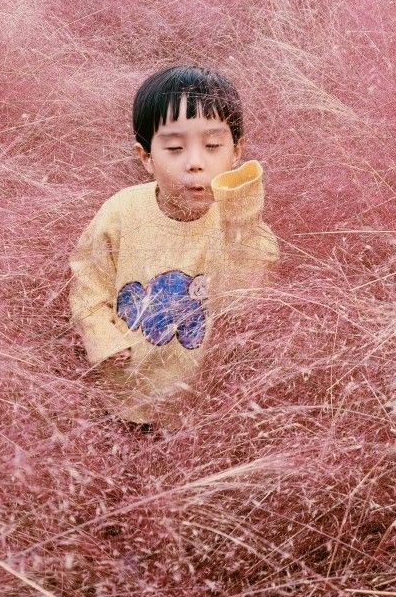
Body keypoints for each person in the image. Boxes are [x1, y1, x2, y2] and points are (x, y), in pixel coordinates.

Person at [69, 66, 278, 428]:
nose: (195, 163)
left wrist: (241, 213)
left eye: (213, 146)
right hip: (124, 392)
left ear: (237, 151)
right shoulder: (121, 211)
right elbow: (87, 281)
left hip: (198, 403)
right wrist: (103, 338)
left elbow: (251, 293)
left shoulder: (238, 226)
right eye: (175, 148)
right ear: (146, 156)